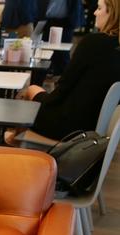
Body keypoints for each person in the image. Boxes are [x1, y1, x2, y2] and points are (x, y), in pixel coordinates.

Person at [19, 0, 120, 140]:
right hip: (97, 131)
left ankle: (17, 146)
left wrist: (41, 96)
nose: (95, 12)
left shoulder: (93, 43)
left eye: (99, 8)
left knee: (32, 89)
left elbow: (62, 90)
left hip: (68, 128)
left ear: (113, 13)